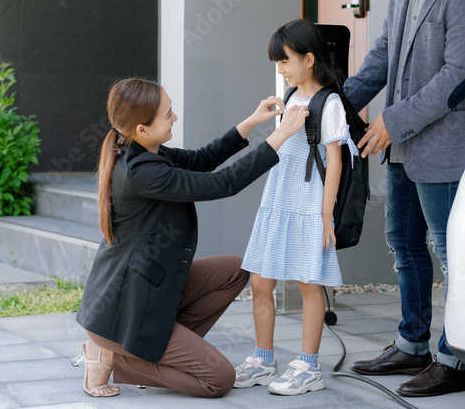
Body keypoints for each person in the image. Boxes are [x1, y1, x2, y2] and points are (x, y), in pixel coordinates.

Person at [74, 78, 309, 398]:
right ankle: (115, 356)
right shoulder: (142, 171)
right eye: (167, 113)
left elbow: (201, 160)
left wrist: (253, 122)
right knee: (219, 380)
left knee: (235, 269)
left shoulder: (142, 149)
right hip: (123, 313)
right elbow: (221, 184)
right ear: (142, 129)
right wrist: (280, 135)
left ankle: (147, 351)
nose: (174, 117)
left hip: (144, 291)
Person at [343, 0, 465, 397]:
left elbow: (462, 73)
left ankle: (453, 360)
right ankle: (412, 345)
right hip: (402, 146)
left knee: (455, 257)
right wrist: (336, 104)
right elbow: (384, 52)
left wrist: (394, 120)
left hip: (445, 146)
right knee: (404, 244)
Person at [233, 19, 363, 396]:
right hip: (278, 197)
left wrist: (326, 215)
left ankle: (308, 367)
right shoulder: (290, 98)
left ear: (309, 59)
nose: (280, 69)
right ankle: (263, 359)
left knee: (309, 283)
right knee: (260, 281)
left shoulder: (330, 101)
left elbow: (335, 161)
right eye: (277, 62)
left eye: (285, 61)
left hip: (309, 202)